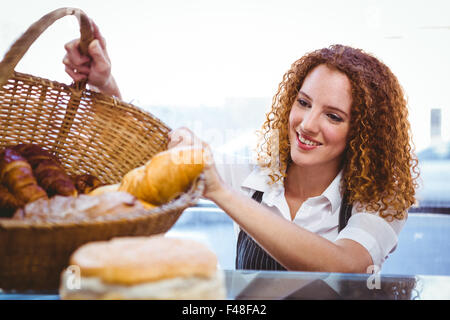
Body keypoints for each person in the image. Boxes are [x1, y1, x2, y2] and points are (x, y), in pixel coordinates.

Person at [63, 21, 419, 273]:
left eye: (334, 116)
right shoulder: (256, 179)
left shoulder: (380, 199)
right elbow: (150, 158)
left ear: (362, 132)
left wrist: (221, 192)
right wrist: (105, 83)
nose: (307, 125)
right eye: (304, 103)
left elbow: (348, 264)